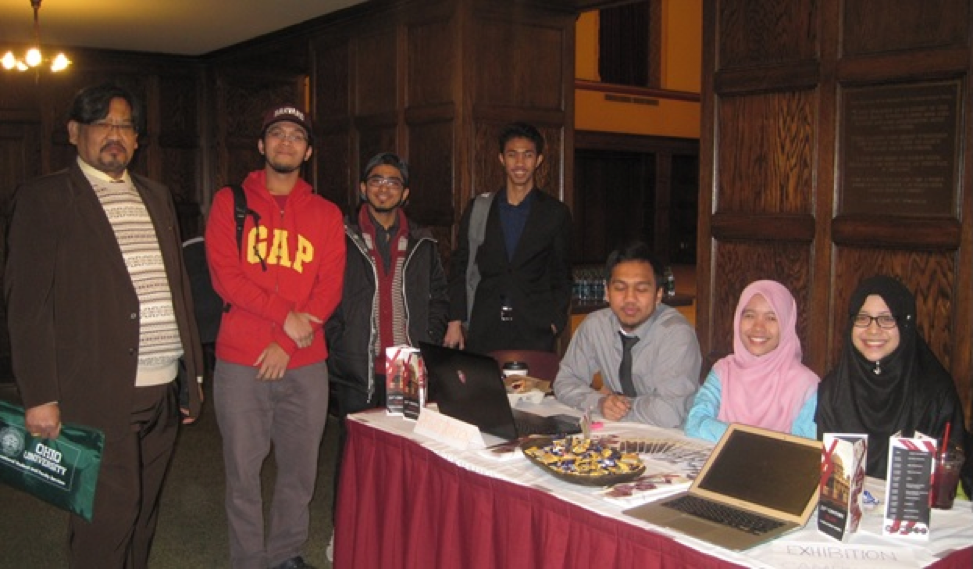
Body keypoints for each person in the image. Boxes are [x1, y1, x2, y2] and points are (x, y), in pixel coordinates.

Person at [4, 82, 204, 569]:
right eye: (102, 124)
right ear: (75, 132)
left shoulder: (156, 196)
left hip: (162, 388)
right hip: (95, 391)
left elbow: (176, 288)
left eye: (125, 125)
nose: (115, 134)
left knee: (143, 514)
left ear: (136, 139)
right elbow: (27, 306)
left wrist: (191, 377)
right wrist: (39, 395)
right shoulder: (45, 197)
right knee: (106, 518)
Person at [205, 104, 345, 569]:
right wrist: (285, 316)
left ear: (308, 152)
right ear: (262, 145)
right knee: (242, 470)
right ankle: (248, 559)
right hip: (241, 360)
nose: (287, 142)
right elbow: (225, 277)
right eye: (278, 133)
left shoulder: (326, 214)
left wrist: (286, 342)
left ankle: (286, 552)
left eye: (297, 136)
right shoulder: (229, 202)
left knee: (300, 470)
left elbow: (329, 288)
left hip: (305, 361)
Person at [326, 151, 448, 507]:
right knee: (355, 457)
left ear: (405, 193)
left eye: (393, 182)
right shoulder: (341, 236)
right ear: (363, 188)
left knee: (404, 455)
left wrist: (427, 338)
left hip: (406, 367)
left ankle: (398, 530)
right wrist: (339, 342)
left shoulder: (423, 241)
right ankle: (343, 528)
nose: (384, 188)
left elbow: (439, 297)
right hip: (357, 364)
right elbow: (324, 294)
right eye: (376, 180)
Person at [816, 275, 969, 481]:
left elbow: (950, 471)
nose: (873, 330)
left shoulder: (935, 394)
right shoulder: (833, 390)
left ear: (905, 324)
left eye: (887, 319)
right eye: (863, 318)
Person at [443, 122, 572, 354]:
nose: (520, 163)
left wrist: (554, 321)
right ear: (502, 159)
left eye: (527, 155)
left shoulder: (555, 213)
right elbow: (460, 266)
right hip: (485, 326)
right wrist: (455, 320)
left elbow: (562, 274)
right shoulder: (479, 209)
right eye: (512, 155)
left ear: (538, 160)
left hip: (535, 330)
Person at [554, 241, 701, 426]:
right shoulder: (595, 325)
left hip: (674, 434)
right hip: (621, 431)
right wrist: (600, 402)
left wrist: (620, 407)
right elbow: (565, 381)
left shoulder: (676, 334)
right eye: (620, 288)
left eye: (641, 289)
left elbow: (669, 412)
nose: (630, 298)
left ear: (658, 295)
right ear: (607, 292)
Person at [684, 280, 819, 442]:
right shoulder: (724, 371)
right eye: (749, 315)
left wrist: (737, 438)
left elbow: (804, 447)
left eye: (771, 318)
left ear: (786, 324)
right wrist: (755, 441)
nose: (758, 327)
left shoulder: (806, 386)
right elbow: (695, 422)